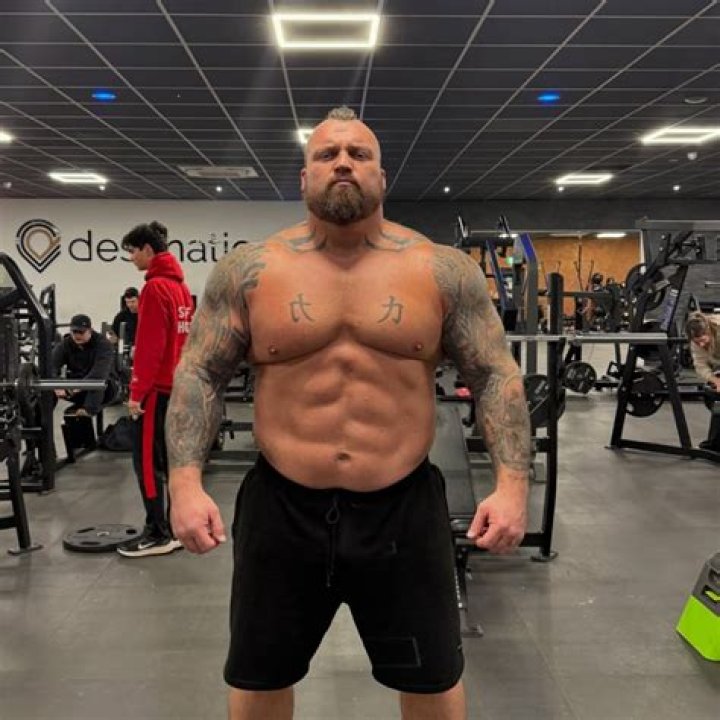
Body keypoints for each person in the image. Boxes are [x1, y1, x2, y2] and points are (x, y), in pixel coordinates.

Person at [166, 106, 531, 720]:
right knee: (259, 676)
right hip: (282, 507)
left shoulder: (441, 269)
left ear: (381, 177)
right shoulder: (250, 270)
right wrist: (184, 484)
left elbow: (495, 373)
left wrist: (513, 486)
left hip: (402, 507)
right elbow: (200, 371)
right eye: (326, 154)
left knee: (433, 680)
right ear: (304, 176)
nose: (342, 163)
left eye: (359, 154)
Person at [116, 221, 194, 558]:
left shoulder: (154, 288)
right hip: (176, 387)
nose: (131, 258)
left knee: (147, 464)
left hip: (156, 391)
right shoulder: (180, 288)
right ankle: (174, 527)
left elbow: (150, 347)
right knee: (171, 461)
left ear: (148, 249)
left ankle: (158, 533)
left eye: (133, 251)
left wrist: (137, 393)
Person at [51, 313, 117, 417]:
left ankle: (88, 410)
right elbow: (51, 365)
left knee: (97, 383)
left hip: (104, 389)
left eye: (81, 332)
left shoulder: (104, 345)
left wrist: (75, 387)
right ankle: (40, 419)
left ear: (90, 330)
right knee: (47, 387)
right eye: (74, 332)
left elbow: (99, 373)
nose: (77, 335)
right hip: (76, 388)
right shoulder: (66, 344)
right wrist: (56, 384)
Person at [686, 311, 720, 449]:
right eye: (696, 342)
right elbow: (700, 365)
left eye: (703, 340)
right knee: (716, 397)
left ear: (709, 332)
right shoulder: (696, 343)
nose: (700, 344)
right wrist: (715, 380)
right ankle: (716, 443)